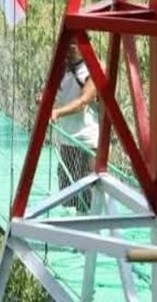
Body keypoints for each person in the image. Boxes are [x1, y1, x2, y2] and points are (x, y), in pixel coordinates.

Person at [49, 41, 99, 212]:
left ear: (81, 46)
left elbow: (83, 102)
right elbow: (54, 92)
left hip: (87, 141)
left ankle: (94, 225)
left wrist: (57, 113)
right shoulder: (62, 69)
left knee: (89, 192)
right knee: (68, 194)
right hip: (67, 139)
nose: (65, 50)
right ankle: (79, 221)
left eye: (70, 46)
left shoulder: (93, 70)